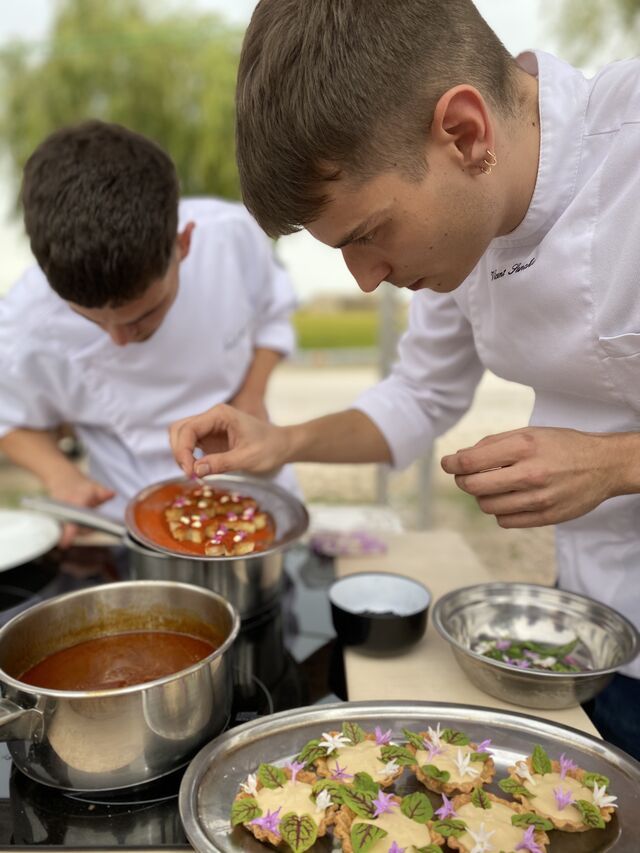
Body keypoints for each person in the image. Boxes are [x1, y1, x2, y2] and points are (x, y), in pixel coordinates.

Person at [169, 1, 640, 756]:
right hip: (593, 627)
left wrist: (615, 463)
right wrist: (281, 441)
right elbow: (420, 395)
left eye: (368, 234)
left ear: (465, 132)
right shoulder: (468, 221)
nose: (365, 279)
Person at [0, 120, 298, 544]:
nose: (120, 340)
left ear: (183, 245)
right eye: (92, 321)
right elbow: (8, 417)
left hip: (253, 489)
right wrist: (60, 474)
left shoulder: (231, 238)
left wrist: (251, 395)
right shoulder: (24, 322)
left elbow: (274, 315)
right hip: (128, 516)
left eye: (143, 315)